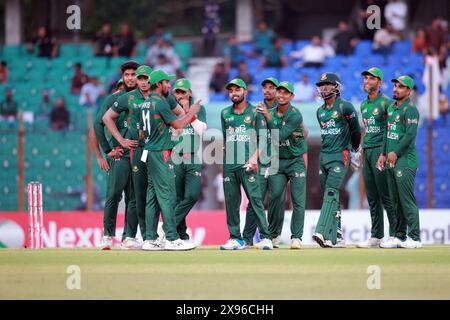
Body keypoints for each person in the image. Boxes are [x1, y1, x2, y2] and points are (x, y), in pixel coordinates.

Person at [139, 69, 201, 251]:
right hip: (160, 153)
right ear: (158, 84)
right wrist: (193, 111)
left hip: (149, 151)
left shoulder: (145, 104)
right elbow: (180, 124)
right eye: (166, 82)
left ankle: (150, 239)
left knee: (152, 197)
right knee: (167, 195)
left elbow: (142, 132)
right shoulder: (160, 103)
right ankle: (172, 239)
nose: (169, 85)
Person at [220, 78, 273, 250]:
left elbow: (263, 139)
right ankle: (235, 238)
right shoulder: (225, 113)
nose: (234, 93)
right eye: (231, 91)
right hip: (230, 165)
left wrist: (254, 158)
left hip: (248, 164)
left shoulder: (255, 112)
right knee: (231, 203)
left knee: (255, 200)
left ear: (245, 91)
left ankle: (266, 237)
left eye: (237, 90)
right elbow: (226, 137)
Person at [92, 60, 140, 250]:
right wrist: (107, 151)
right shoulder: (113, 99)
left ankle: (128, 237)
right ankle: (107, 236)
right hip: (119, 155)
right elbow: (97, 125)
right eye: (127, 75)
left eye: (133, 75)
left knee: (134, 198)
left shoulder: (145, 98)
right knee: (113, 194)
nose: (130, 78)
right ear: (122, 77)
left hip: (139, 156)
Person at [257, 81, 308, 249]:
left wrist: (268, 117)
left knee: (298, 200)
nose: (281, 95)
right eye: (279, 92)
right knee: (275, 197)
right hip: (277, 161)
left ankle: (296, 237)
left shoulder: (295, 114)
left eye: (286, 93)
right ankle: (273, 236)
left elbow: (281, 135)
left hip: (295, 161)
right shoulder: (269, 112)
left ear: (292, 96)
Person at [312, 72, 361, 248]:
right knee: (330, 195)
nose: (324, 88)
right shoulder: (320, 112)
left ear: (336, 87)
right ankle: (337, 236)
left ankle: (322, 231)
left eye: (328, 84)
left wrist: (355, 151)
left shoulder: (345, 107)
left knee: (331, 191)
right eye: (322, 85)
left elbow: (355, 131)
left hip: (340, 156)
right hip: (324, 157)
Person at [377, 75, 422, 249]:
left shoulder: (410, 110)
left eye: (401, 87)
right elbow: (387, 133)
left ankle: (415, 237)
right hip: (390, 159)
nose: (396, 89)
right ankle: (399, 236)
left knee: (406, 199)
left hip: (405, 160)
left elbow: (410, 135)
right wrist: (383, 153)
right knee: (394, 200)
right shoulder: (391, 108)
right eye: (395, 85)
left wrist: (395, 152)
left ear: (409, 91)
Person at [356, 67, 398, 248]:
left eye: (371, 79)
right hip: (367, 151)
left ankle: (395, 235)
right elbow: (366, 129)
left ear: (379, 82)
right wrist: (360, 151)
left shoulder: (387, 103)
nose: (367, 81)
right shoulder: (363, 105)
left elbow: (390, 131)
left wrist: (383, 153)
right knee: (372, 196)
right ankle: (376, 236)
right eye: (366, 78)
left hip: (380, 152)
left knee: (386, 195)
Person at [242, 77, 286, 248]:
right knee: (255, 199)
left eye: (271, 87)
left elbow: (302, 131)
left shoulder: (283, 109)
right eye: (265, 88)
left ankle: (274, 235)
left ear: (277, 90)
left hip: (278, 162)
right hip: (259, 161)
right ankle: (247, 238)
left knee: (277, 199)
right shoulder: (255, 110)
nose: (267, 90)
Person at [171, 78, 207, 243]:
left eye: (183, 92)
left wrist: (189, 112)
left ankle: (167, 227)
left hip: (192, 156)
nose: (180, 95)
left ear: (190, 93)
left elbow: (201, 131)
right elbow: (172, 134)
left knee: (192, 195)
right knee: (177, 199)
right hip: (175, 157)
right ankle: (181, 235)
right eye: (177, 92)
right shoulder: (170, 109)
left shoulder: (199, 108)